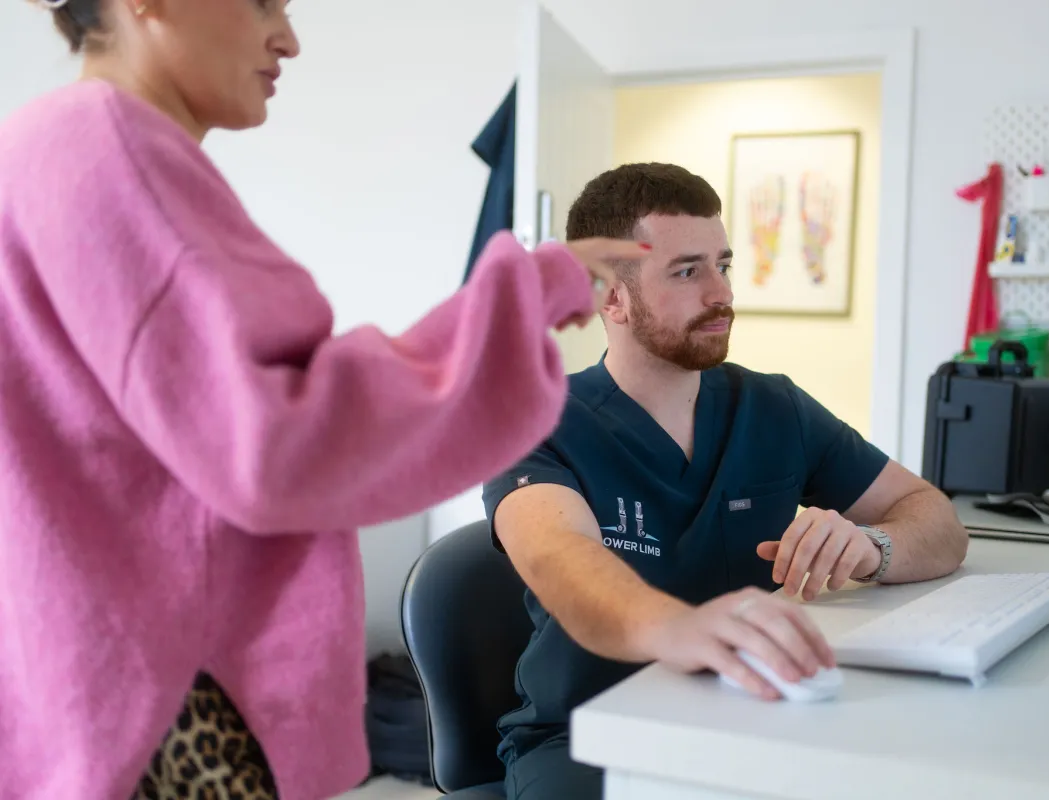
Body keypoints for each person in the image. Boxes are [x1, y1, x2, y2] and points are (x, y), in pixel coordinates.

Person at [0, 1, 649, 798]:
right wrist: (528, 294)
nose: (289, 37)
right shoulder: (110, 151)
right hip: (167, 717)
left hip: (84, 686)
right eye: (263, 0)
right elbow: (275, 441)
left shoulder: (38, 148)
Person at [484, 162, 971, 799]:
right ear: (610, 296)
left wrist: (871, 547)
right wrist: (679, 630)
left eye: (724, 264)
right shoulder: (535, 421)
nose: (722, 293)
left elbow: (936, 519)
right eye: (688, 271)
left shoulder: (773, 408)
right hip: (585, 740)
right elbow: (559, 560)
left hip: (751, 716)